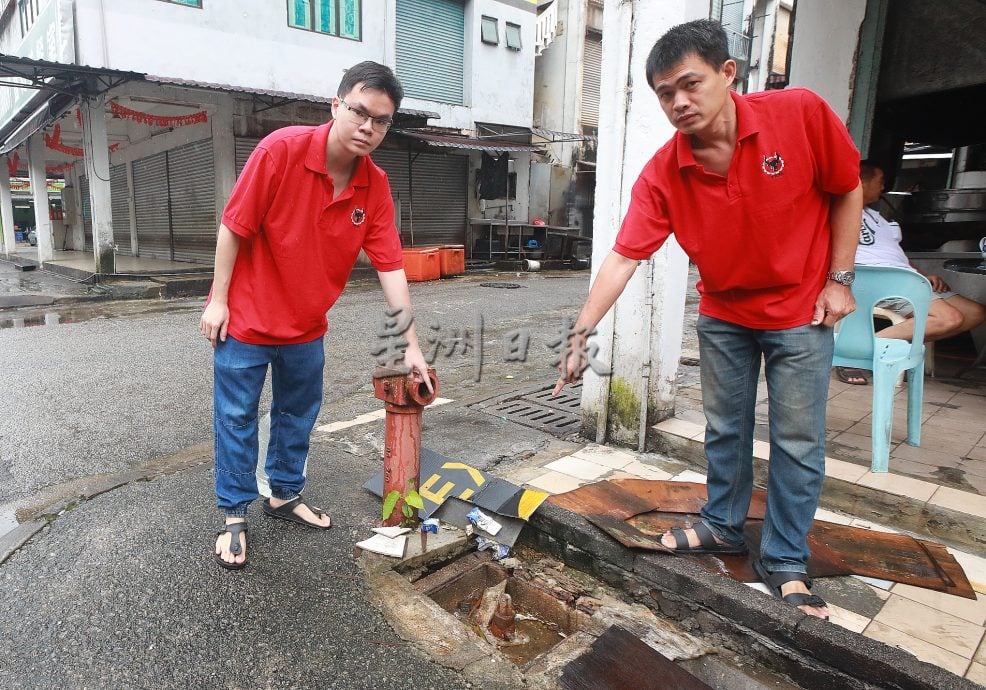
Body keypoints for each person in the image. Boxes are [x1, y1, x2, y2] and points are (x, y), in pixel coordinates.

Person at [553, 20, 862, 619]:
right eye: (665, 94)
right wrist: (580, 333)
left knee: (796, 443)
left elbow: (847, 188)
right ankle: (722, 525)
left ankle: (785, 561)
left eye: (689, 84)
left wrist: (840, 279)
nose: (679, 103)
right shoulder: (666, 171)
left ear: (727, 73)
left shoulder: (797, 114)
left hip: (801, 310)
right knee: (725, 430)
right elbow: (623, 256)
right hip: (724, 312)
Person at [200, 61, 431, 570]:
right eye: (360, 112)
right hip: (246, 321)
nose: (368, 127)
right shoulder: (280, 151)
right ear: (336, 105)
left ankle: (283, 494)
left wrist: (410, 345)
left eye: (382, 120)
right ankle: (234, 512)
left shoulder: (374, 187)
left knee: (296, 414)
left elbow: (391, 268)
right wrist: (218, 298)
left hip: (306, 327)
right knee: (236, 417)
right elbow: (233, 227)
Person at [834, 161, 986, 384]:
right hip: (877, 280)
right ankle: (852, 353)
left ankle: (881, 349)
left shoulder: (879, 218)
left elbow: (895, 256)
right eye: (880, 181)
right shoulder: (838, 209)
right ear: (862, 182)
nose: (883, 187)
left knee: (976, 312)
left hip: (906, 279)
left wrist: (922, 276)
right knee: (949, 318)